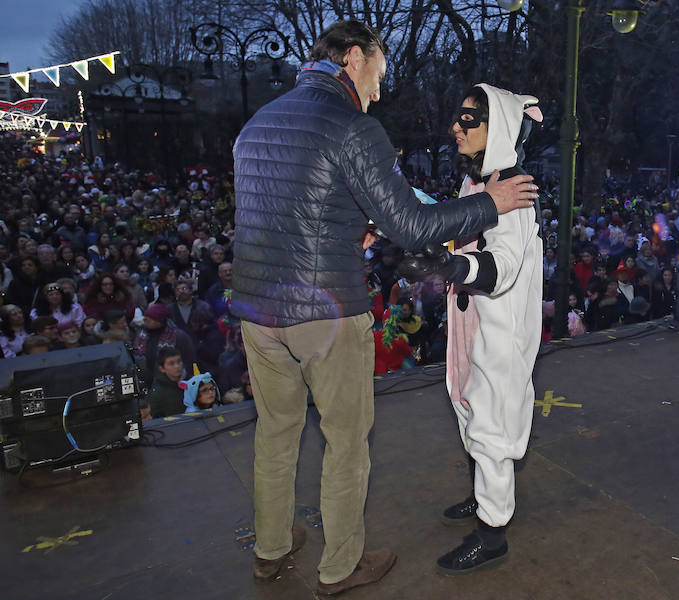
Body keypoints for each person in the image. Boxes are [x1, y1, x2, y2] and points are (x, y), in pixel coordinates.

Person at [229, 20, 537, 597]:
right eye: (378, 72)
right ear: (353, 58)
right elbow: (413, 226)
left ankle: (270, 549)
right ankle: (339, 567)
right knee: (346, 441)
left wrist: (350, 224)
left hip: (256, 312)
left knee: (275, 433)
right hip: (324, 312)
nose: (379, 89)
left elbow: (283, 210)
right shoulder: (352, 126)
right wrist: (492, 203)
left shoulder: (257, 124)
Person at [397, 83, 543, 575]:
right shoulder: (477, 183)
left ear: (497, 128)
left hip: (495, 326)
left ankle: (493, 531)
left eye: (469, 120)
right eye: (458, 118)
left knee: (492, 423)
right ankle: (484, 496)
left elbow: (501, 268)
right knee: (466, 405)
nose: (456, 127)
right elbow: (461, 230)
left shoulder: (514, 191)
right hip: (470, 322)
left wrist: (449, 267)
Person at [146, 346, 187, 419]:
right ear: (162, 369)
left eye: (179, 361)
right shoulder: (157, 392)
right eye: (171, 364)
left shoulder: (192, 381)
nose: (177, 366)